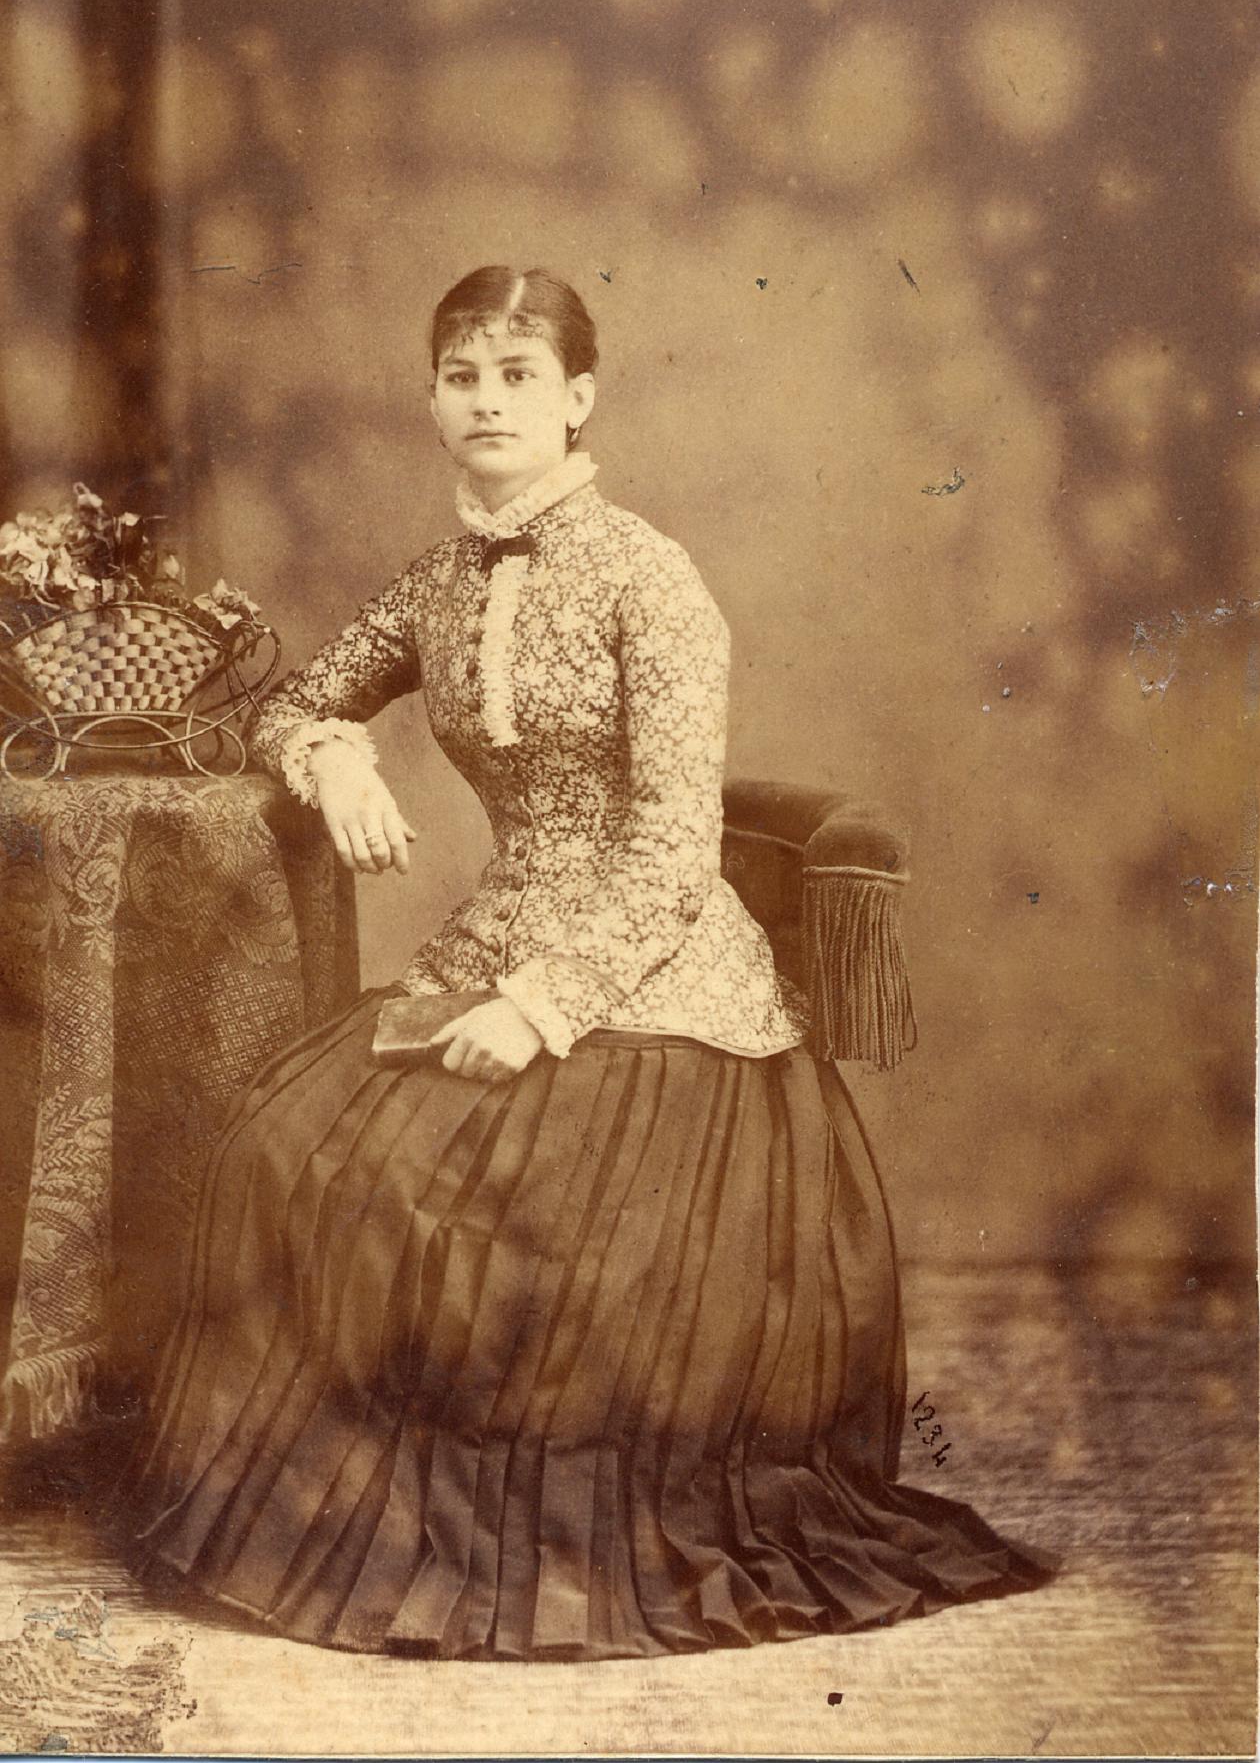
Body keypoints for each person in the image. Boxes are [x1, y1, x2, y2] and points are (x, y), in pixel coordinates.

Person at [123, 265, 1054, 1659]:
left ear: (578, 398)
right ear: (434, 399)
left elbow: (675, 850)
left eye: (518, 375)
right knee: (281, 1151)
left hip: (656, 983)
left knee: (498, 1227)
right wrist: (337, 758)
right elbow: (293, 699)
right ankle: (368, 1523)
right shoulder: (434, 584)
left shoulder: (650, 577)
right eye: (461, 376)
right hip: (494, 932)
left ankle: (523, 1543)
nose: (487, 402)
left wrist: (541, 1004)